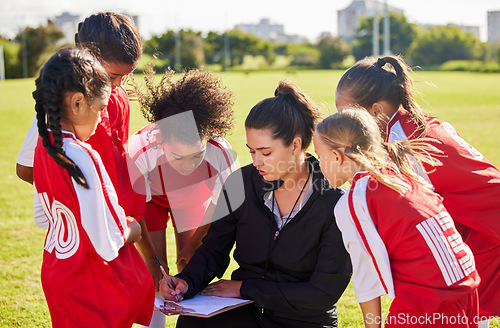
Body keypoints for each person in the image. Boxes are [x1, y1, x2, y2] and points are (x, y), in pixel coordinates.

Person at [160, 80, 352, 328]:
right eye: (252, 152)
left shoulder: (334, 201)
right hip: (246, 311)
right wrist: (187, 280)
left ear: (295, 145)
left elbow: (321, 295)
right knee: (192, 323)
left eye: (266, 152)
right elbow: (213, 249)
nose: (257, 162)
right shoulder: (241, 182)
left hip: (303, 319)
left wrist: (245, 288)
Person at [335, 55, 500, 325]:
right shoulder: (406, 125)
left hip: (489, 228)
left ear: (376, 111)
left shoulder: (405, 141)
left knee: (463, 300)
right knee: (464, 299)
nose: (344, 122)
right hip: (475, 222)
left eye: (347, 114)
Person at [15, 12, 165, 288]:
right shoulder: (61, 110)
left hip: (120, 230)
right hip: (87, 245)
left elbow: (120, 175)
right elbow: (27, 168)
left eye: (126, 76)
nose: (119, 85)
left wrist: (150, 257)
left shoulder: (117, 99)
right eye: (112, 76)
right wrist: (84, 199)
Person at [313, 108, 480, 328]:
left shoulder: (355, 200)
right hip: (466, 285)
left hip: (430, 300)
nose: (319, 165)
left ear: (336, 156)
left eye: (319, 156)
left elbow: (367, 282)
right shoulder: (402, 175)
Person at [32, 47, 154, 327]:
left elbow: (43, 216)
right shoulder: (83, 155)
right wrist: (132, 229)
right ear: (77, 103)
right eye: (99, 108)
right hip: (89, 285)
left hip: (57, 272)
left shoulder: (44, 145)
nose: (101, 118)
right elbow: (107, 243)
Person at [127, 68, 237, 327]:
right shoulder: (141, 149)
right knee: (157, 271)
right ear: (161, 142)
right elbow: (135, 210)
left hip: (191, 197)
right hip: (151, 200)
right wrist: (153, 261)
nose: (188, 165)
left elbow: (219, 205)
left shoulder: (220, 150)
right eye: (178, 157)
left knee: (190, 265)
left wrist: (194, 243)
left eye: (196, 156)